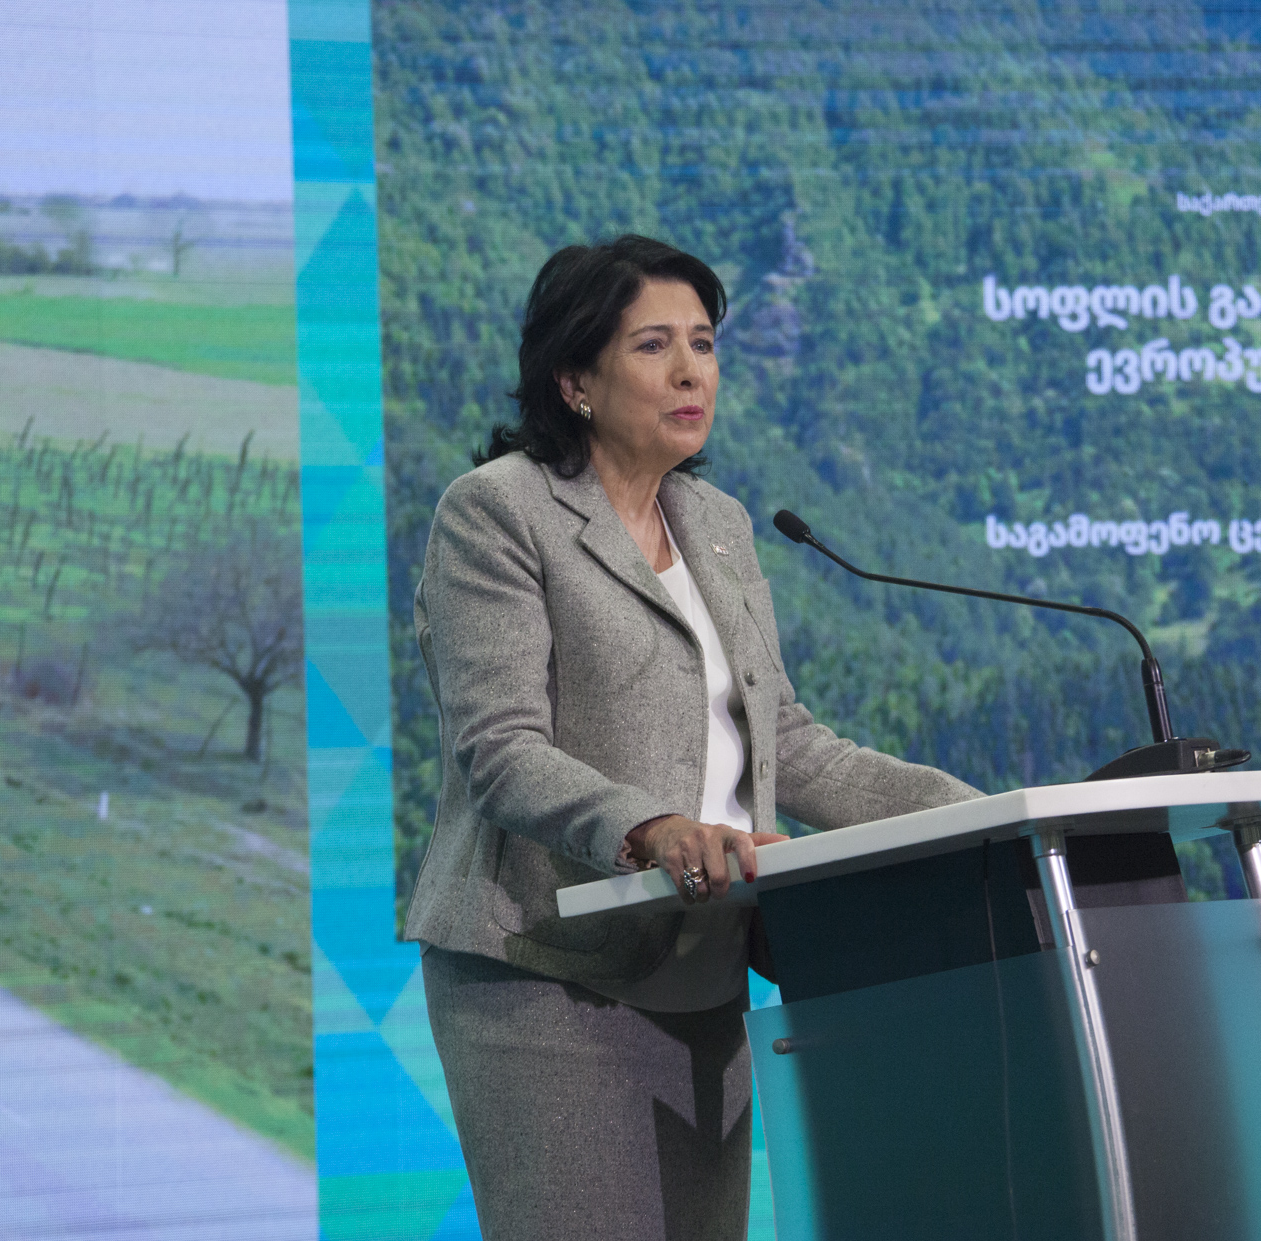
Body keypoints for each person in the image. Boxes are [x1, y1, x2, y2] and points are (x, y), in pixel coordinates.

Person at [407, 234, 980, 1241]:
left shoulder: (716, 522)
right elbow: (500, 749)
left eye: (704, 344)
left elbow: (786, 741)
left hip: (704, 973)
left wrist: (980, 815)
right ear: (574, 380)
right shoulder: (497, 512)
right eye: (653, 345)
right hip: (548, 970)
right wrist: (654, 827)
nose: (689, 371)